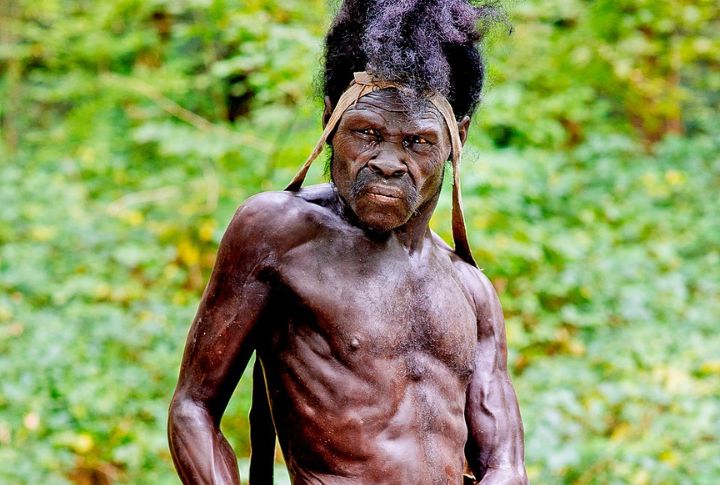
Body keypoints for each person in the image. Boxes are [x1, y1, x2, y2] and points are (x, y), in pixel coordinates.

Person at [168, 1, 527, 483]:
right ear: (329, 122)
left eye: (417, 142)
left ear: (455, 141)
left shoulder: (471, 290)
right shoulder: (279, 233)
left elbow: (507, 465)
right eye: (367, 133)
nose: (388, 163)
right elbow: (194, 409)